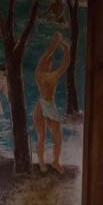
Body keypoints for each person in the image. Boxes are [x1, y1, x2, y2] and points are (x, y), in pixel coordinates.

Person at [33, 32, 70, 173]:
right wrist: (56, 43)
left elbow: (65, 65)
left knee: (58, 138)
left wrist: (66, 49)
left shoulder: (53, 75)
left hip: (51, 105)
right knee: (41, 137)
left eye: (50, 62)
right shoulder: (38, 73)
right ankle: (42, 163)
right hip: (41, 105)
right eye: (47, 62)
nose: (48, 63)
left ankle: (55, 162)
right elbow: (47, 53)